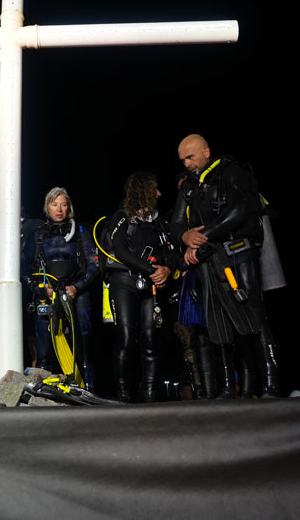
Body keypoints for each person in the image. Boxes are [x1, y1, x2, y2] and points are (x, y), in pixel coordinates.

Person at [171, 134, 280, 398]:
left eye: (191, 156)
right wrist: (186, 237)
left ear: (207, 151)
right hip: (209, 260)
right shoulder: (188, 186)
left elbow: (241, 209)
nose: (186, 163)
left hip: (238, 253)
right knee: (218, 323)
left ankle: (270, 385)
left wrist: (203, 235)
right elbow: (174, 224)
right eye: (182, 159)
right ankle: (230, 387)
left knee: (252, 317)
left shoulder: (231, 172)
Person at [105, 172, 184, 402]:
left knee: (151, 339)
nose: (159, 194)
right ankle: (123, 394)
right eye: (155, 189)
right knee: (127, 337)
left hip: (152, 285)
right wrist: (152, 270)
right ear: (142, 191)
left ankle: (149, 392)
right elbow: (120, 251)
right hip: (124, 283)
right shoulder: (122, 217)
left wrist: (167, 269)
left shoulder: (160, 222)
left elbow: (172, 251)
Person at [23, 187, 98, 390]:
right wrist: (40, 289)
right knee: (45, 348)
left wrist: (77, 287)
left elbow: (94, 264)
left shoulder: (81, 232)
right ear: (47, 207)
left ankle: (88, 388)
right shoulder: (37, 235)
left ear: (69, 208)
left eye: (63, 205)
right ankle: (43, 393)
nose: (59, 209)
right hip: (46, 295)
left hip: (76, 291)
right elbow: (25, 269)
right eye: (54, 204)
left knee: (82, 344)